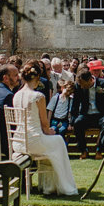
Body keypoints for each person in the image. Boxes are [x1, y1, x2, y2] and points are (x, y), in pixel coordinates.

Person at [11, 61, 79, 196]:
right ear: (36, 78)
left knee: (53, 144)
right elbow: (44, 124)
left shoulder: (16, 95)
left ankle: (48, 186)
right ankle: (63, 186)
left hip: (18, 142)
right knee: (59, 141)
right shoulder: (38, 96)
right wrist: (51, 132)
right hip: (33, 141)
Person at [72, 66, 104, 160]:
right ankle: (84, 151)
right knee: (77, 123)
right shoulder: (78, 86)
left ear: (89, 80)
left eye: (82, 84)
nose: (80, 86)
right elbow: (75, 104)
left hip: (101, 115)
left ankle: (99, 150)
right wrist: (72, 121)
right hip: (86, 115)